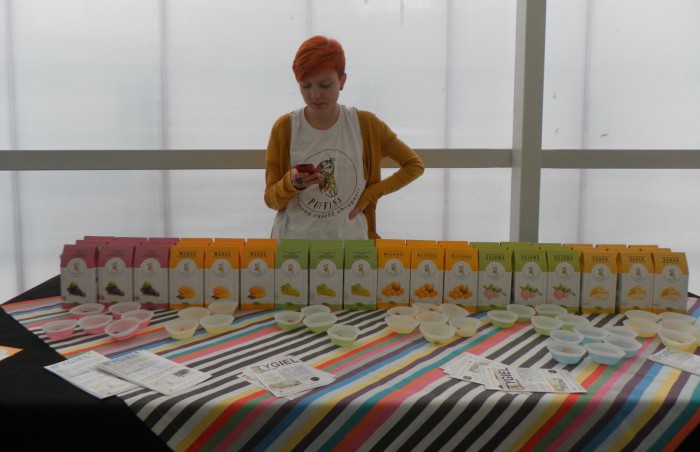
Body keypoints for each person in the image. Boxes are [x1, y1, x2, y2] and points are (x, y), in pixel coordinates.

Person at [264, 35, 424, 239]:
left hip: (351, 247)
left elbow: (414, 165)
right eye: (305, 86)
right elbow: (271, 200)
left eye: (325, 85)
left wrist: (369, 195)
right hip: (292, 247)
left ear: (342, 81)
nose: (315, 95)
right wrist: (291, 183)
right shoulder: (285, 128)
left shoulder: (366, 125)